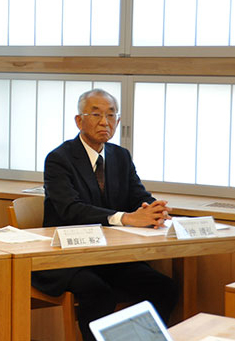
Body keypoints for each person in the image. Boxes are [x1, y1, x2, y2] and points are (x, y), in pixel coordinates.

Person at [32, 88, 178, 340]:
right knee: (99, 292)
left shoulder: (120, 156)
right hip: (68, 259)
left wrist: (154, 209)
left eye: (111, 116)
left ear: (118, 122)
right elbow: (71, 209)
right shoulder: (59, 159)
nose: (105, 122)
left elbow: (138, 195)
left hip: (111, 256)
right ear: (79, 120)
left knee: (164, 287)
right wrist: (125, 218)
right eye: (96, 114)